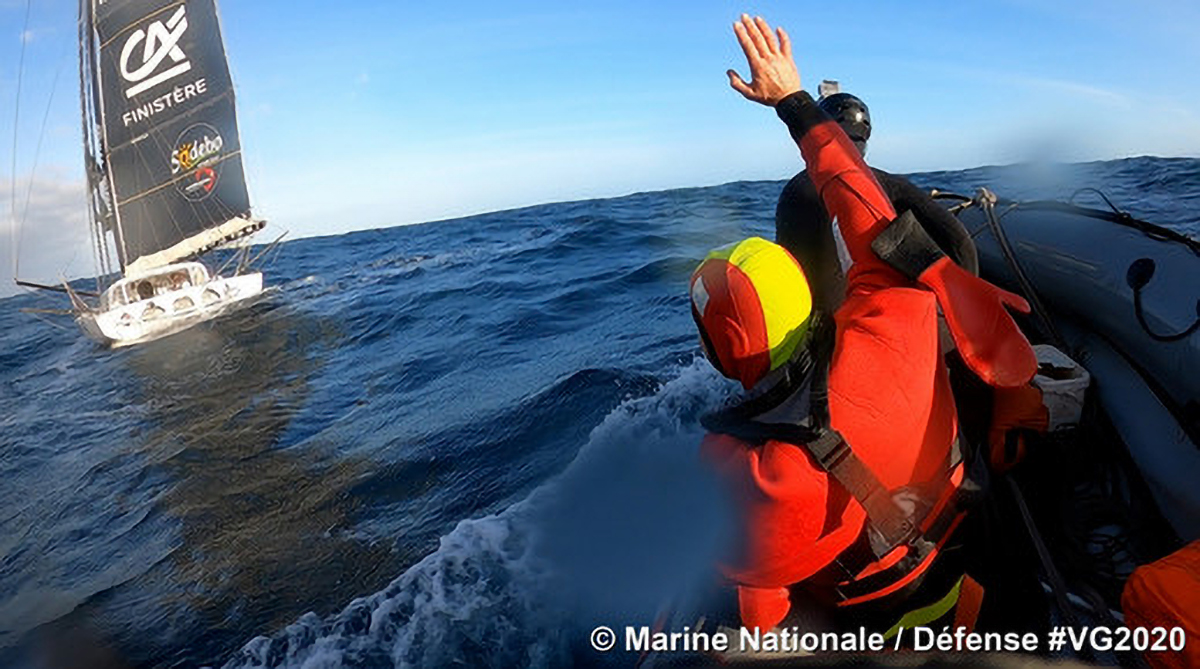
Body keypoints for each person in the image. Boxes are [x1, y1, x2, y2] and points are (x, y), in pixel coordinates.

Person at [690, 14, 1041, 633]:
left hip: (876, 621)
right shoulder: (901, 319)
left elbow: (758, 593)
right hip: (969, 558)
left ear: (722, 351)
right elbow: (873, 220)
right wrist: (793, 102)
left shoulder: (748, 472)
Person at [775, 89, 978, 314]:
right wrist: (962, 308)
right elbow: (959, 243)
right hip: (872, 319)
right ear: (866, 134)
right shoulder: (890, 184)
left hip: (810, 324)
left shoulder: (794, 190)